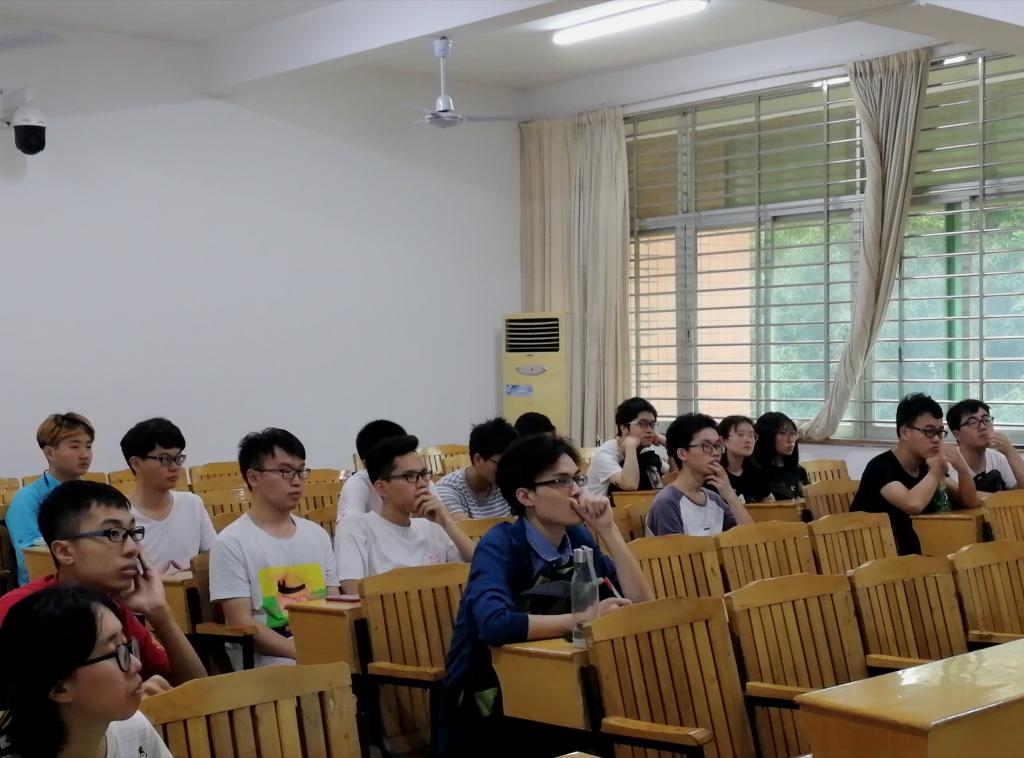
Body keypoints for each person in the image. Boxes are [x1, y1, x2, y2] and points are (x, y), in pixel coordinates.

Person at [439, 434, 652, 757]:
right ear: (525, 495)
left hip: (558, 683)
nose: (577, 490)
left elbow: (641, 605)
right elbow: (495, 624)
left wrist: (608, 530)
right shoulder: (501, 544)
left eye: (577, 479)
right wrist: (583, 618)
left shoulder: (577, 537)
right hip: (491, 698)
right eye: (561, 481)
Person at [0, 480, 207, 692]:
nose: (133, 549)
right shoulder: (19, 612)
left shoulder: (114, 607)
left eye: (132, 533)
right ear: (64, 552)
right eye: (113, 534)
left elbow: (199, 694)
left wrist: (160, 613)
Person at [210, 428, 338, 668]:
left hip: (319, 646)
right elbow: (241, 622)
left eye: (301, 471)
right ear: (253, 478)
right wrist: (304, 652)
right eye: (285, 471)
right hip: (266, 657)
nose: (297, 481)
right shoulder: (230, 542)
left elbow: (334, 601)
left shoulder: (318, 535)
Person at [0, 584, 172, 758]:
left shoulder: (134, 729)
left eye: (127, 646)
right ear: (59, 688)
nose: (137, 664)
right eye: (116, 653)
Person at [335, 435, 475, 594]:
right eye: (410, 476)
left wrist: (447, 523)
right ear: (382, 488)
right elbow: (353, 592)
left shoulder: (434, 526)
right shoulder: (355, 528)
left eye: (423, 474)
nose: (422, 484)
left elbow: (482, 567)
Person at [852, 393, 978, 555]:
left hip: (913, 554)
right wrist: (937, 471)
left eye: (940, 432)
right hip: (872, 554)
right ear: (905, 432)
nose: (936, 439)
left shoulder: (927, 463)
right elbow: (913, 504)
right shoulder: (880, 467)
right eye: (929, 431)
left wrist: (962, 469)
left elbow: (969, 501)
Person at [7, 412, 94, 586]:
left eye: (88, 446)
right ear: (49, 453)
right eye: (75, 447)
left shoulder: (95, 495)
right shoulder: (27, 499)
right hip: (49, 591)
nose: (85, 454)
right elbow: (31, 560)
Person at [121, 418, 216, 574]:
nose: (175, 467)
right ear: (136, 464)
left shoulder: (192, 503)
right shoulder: (120, 514)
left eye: (178, 458)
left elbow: (214, 555)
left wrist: (196, 570)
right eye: (165, 459)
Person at [647, 414, 754, 536]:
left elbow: (750, 538)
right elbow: (676, 548)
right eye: (706, 446)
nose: (716, 453)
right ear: (682, 454)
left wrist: (730, 495)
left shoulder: (714, 500)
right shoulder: (667, 503)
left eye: (718, 446)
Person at [338, 419, 442, 520]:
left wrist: (443, 520)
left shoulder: (421, 480)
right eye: (409, 476)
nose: (421, 483)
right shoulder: (357, 485)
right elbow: (349, 527)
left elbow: (443, 525)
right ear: (367, 465)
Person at [586, 397, 669, 498]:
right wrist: (630, 446)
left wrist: (667, 444)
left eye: (652, 424)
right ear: (624, 428)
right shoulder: (605, 454)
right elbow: (630, 485)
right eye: (643, 424)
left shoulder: (645, 451)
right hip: (599, 507)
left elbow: (673, 479)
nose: (650, 430)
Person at [436, 418, 519, 519]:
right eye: (502, 464)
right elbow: (462, 528)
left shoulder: (508, 483)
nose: (508, 470)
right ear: (478, 459)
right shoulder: (447, 489)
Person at [946, 399, 1024, 498]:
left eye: (986, 420)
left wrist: (1010, 451)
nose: (983, 427)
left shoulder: (999, 458)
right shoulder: (949, 464)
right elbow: (965, 497)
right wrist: (1005, 498)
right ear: (957, 435)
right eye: (973, 422)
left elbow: (1021, 492)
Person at [752, 412, 809, 500]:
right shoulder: (755, 473)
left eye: (793, 433)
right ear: (766, 436)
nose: (790, 439)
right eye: (783, 433)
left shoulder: (799, 471)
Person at [718, 415, 772, 503]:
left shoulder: (756, 472)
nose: (748, 440)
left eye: (751, 435)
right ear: (723, 440)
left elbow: (769, 501)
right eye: (740, 435)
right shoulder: (715, 473)